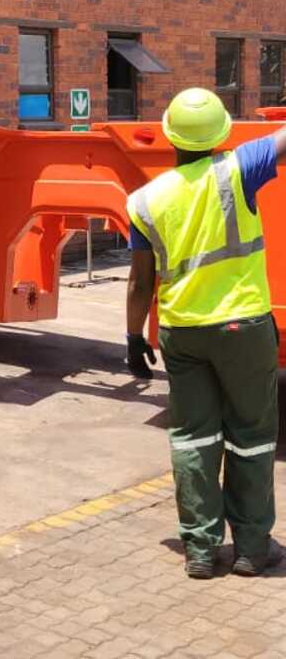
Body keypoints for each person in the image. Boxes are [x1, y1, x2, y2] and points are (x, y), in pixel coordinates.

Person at [125, 87, 286, 579]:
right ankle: (251, 549)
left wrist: (133, 339)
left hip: (182, 332)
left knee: (193, 439)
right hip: (243, 327)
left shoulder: (144, 201)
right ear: (220, 134)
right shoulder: (239, 168)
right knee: (251, 437)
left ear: (170, 136)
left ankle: (200, 548)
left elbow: (140, 283)